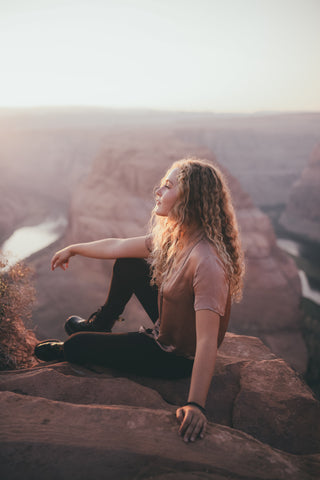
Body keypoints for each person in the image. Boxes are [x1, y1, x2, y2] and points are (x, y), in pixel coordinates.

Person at [34, 158, 245, 443]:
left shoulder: (207, 261)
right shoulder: (178, 238)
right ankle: (101, 325)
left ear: (190, 200)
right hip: (168, 324)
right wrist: (74, 248)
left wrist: (195, 404)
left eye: (168, 187)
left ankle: (79, 343)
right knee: (129, 263)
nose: (158, 191)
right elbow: (119, 246)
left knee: (76, 346)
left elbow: (207, 342)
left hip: (174, 355)